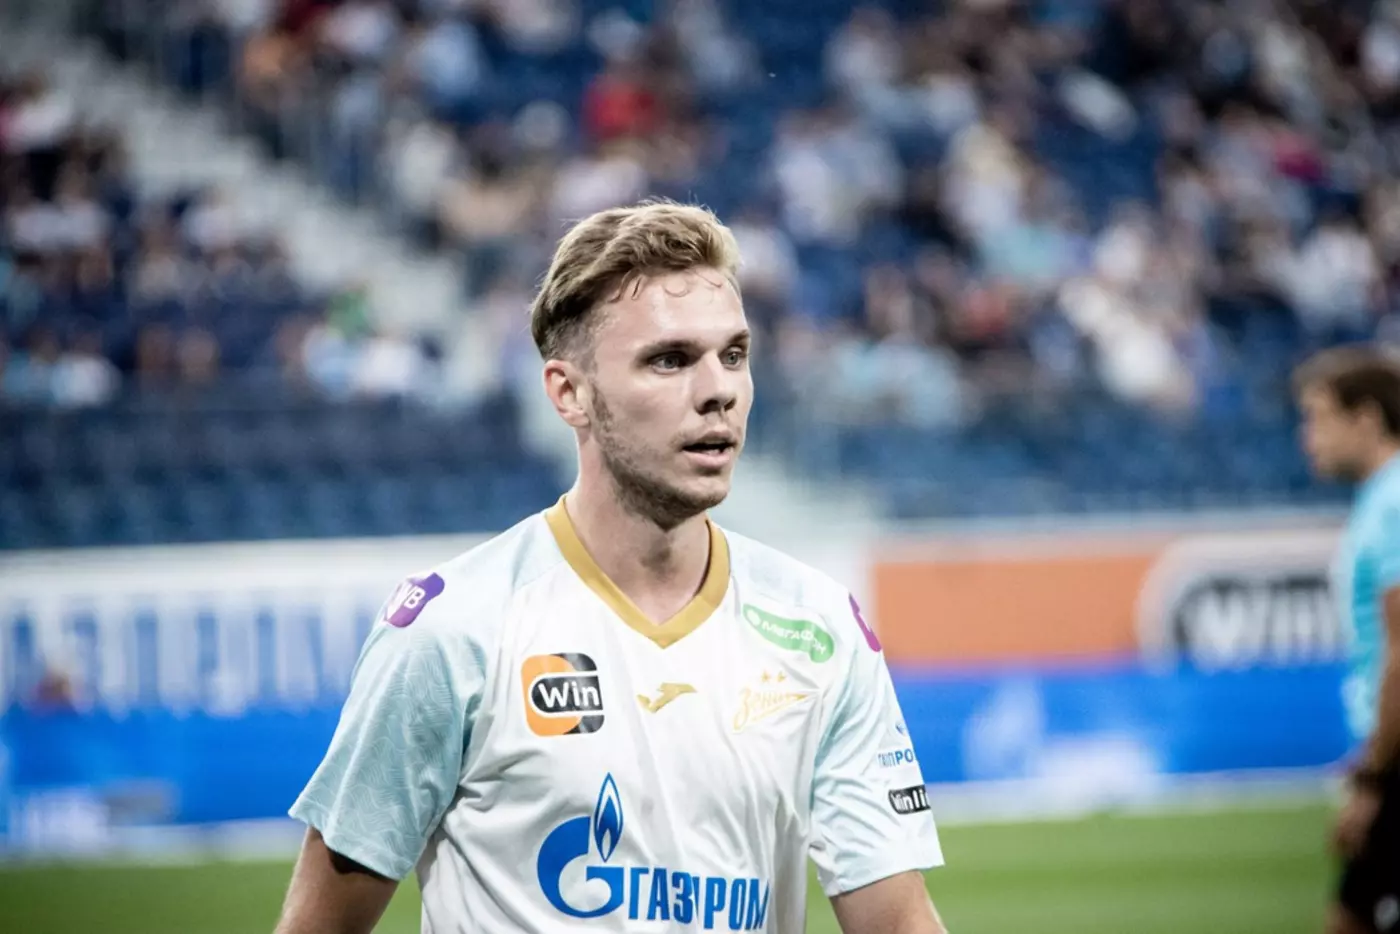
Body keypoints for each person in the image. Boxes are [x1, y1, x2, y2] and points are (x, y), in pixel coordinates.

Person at [273, 201, 948, 933]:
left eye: (734, 355)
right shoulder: (453, 629)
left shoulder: (820, 627)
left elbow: (897, 922)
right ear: (570, 393)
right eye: (670, 360)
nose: (718, 389)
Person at [1295, 346, 1400, 934]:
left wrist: (1375, 776)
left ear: (1366, 418)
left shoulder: (1393, 503)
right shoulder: (1381, 500)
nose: (1307, 437)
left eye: (1318, 417)